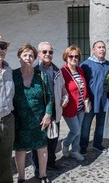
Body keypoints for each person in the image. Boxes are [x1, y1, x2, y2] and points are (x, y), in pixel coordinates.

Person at [13, 44, 53, 183]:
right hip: (19, 120)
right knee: (20, 150)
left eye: (31, 55)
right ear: (19, 57)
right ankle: (21, 177)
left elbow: (49, 97)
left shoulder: (41, 75)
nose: (28, 58)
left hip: (39, 120)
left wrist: (48, 114)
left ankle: (42, 174)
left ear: (35, 58)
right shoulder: (13, 75)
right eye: (25, 55)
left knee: (42, 148)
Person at [32, 41, 62, 175]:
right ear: (38, 54)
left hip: (55, 109)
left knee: (53, 138)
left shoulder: (56, 70)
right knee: (38, 139)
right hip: (38, 111)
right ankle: (37, 166)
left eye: (50, 52)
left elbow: (63, 88)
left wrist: (65, 96)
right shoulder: (33, 70)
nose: (48, 54)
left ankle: (50, 162)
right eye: (44, 52)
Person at [79, 41, 109, 155]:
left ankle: (97, 144)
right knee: (86, 125)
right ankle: (83, 146)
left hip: (104, 101)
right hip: (90, 101)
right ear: (93, 50)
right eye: (99, 47)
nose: (102, 49)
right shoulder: (85, 65)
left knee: (101, 124)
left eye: (103, 47)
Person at [60, 46, 89, 161]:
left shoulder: (80, 70)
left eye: (76, 56)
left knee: (79, 130)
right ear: (66, 57)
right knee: (75, 130)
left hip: (81, 106)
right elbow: (59, 89)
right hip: (69, 108)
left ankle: (75, 150)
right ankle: (66, 144)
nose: (74, 58)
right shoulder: (62, 71)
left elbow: (83, 87)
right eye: (71, 56)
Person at [0, 35, 15, 183]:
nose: (1, 50)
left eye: (3, 46)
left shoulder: (8, 69)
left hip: (8, 120)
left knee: (5, 160)